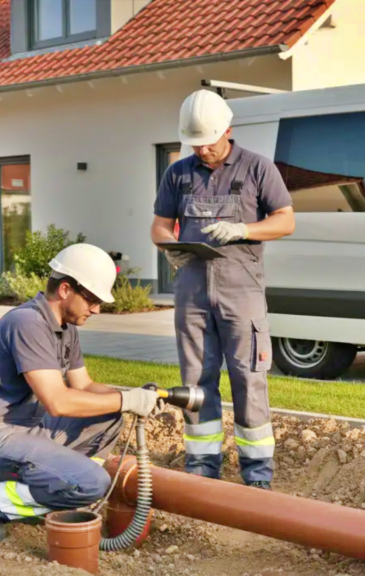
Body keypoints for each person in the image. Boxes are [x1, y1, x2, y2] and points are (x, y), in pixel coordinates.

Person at [0, 243, 163, 541]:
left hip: (25, 429)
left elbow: (84, 386)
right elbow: (58, 402)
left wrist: (133, 397)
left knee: (109, 416)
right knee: (91, 483)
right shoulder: (27, 323)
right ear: (65, 289)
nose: (97, 309)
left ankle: (58, 488)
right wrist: (127, 400)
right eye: (93, 299)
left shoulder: (65, 327)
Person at [150, 89, 295, 490]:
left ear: (227, 130)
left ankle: (257, 473)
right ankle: (202, 467)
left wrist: (243, 229)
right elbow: (159, 225)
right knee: (197, 381)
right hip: (192, 294)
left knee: (249, 378)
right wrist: (168, 246)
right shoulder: (177, 173)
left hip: (241, 293)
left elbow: (285, 220)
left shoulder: (257, 168)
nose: (202, 150)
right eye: (195, 143)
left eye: (208, 142)